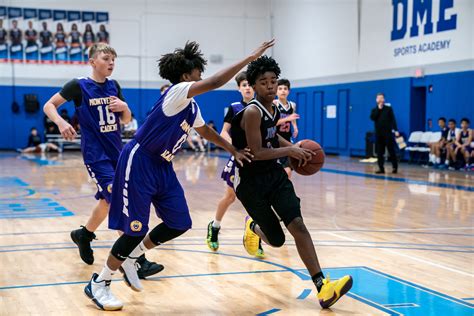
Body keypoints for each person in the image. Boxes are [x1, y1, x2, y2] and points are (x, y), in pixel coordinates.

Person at [84, 40, 273, 311]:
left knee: (179, 222)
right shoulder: (178, 91)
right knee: (135, 228)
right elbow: (216, 81)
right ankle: (99, 283)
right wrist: (250, 57)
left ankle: (133, 256)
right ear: (187, 76)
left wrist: (232, 149)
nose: (201, 76)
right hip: (140, 160)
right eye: (198, 72)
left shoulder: (191, 106)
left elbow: (206, 132)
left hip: (162, 166)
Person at [230, 55, 352, 309]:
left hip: (273, 175)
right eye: (264, 82)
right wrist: (290, 152)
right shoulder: (252, 112)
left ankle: (322, 286)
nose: (271, 86)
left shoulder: (273, 109)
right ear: (253, 85)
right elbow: (258, 151)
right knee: (276, 240)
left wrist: (293, 146)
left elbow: (273, 140)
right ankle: (253, 227)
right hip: (250, 183)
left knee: (298, 224)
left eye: (273, 81)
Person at [43, 43, 161, 279]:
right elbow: (49, 105)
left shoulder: (114, 86)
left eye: (113, 60)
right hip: (96, 156)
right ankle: (136, 260)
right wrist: (61, 122)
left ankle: (84, 235)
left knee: (108, 203)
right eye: (106, 58)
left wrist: (125, 107)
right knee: (118, 201)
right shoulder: (79, 86)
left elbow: (126, 120)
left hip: (117, 153)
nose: (111, 63)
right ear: (92, 61)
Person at [206, 71, 264, 255]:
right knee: (230, 197)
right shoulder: (234, 107)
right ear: (239, 88)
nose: (247, 88)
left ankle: (256, 235)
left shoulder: (262, 107)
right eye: (244, 85)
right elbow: (224, 132)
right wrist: (234, 149)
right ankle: (214, 227)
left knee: (259, 200)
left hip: (258, 159)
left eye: (250, 84)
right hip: (239, 157)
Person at [275, 78, 300, 178]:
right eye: (280, 88)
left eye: (285, 89)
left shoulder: (292, 105)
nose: (283, 91)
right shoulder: (274, 104)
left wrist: (295, 127)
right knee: (283, 171)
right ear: (276, 91)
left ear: (288, 91)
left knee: (288, 170)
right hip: (276, 141)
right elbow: (272, 123)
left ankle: (284, 191)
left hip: (287, 139)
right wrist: (287, 119)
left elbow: (292, 117)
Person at [370, 93, 399, 174]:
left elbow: (393, 120)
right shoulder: (374, 110)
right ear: (376, 100)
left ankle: (394, 167)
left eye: (382, 98)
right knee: (380, 152)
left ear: (384, 99)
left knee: (391, 150)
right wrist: (379, 109)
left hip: (388, 133)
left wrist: (396, 130)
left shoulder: (388, 109)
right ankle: (381, 168)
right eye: (378, 98)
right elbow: (373, 118)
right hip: (379, 134)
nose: (380, 99)